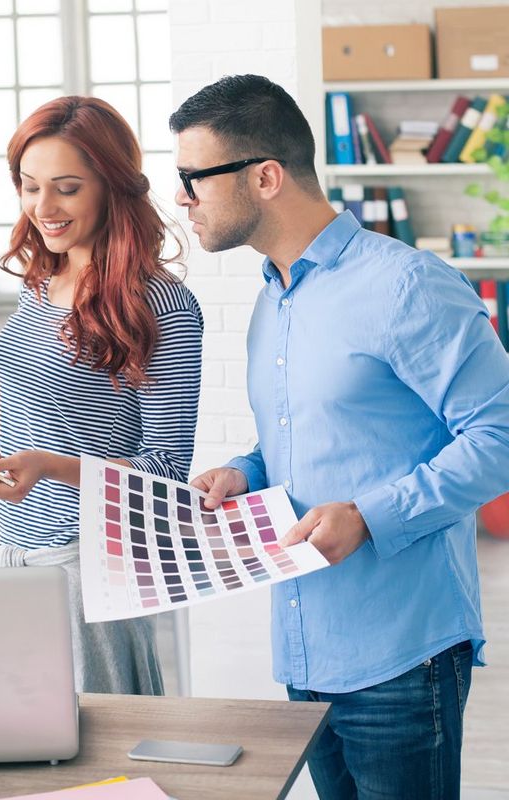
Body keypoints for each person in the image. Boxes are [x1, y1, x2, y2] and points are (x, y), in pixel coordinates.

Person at [169, 74, 509, 799]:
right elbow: (304, 441)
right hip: (305, 653)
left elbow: (499, 431)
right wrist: (244, 471)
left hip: (401, 655)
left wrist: (370, 516)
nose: (182, 199)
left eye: (194, 178)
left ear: (265, 176)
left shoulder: (406, 284)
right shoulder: (272, 301)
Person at [0, 96, 203, 695]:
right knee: (14, 744)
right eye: (30, 187)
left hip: (87, 560)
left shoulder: (160, 304)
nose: (43, 208)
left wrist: (49, 468)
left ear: (111, 187)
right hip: (6, 548)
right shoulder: (42, 282)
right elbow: (13, 426)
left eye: (66, 188)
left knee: (101, 764)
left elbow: (165, 470)